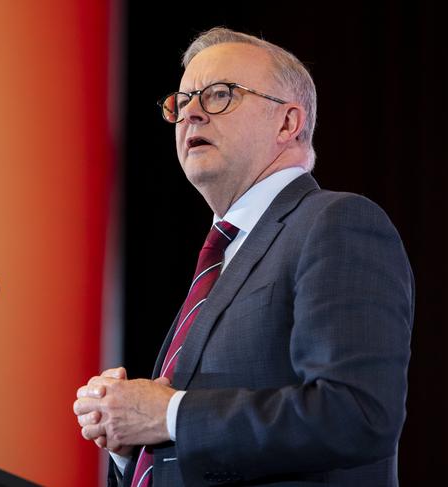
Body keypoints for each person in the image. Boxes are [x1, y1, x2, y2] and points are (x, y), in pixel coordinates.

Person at [74, 27, 414, 486]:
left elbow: (356, 413)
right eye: (183, 100)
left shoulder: (335, 223)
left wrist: (169, 414)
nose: (191, 113)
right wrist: (132, 440)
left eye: (219, 95)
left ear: (288, 123)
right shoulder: (225, 255)